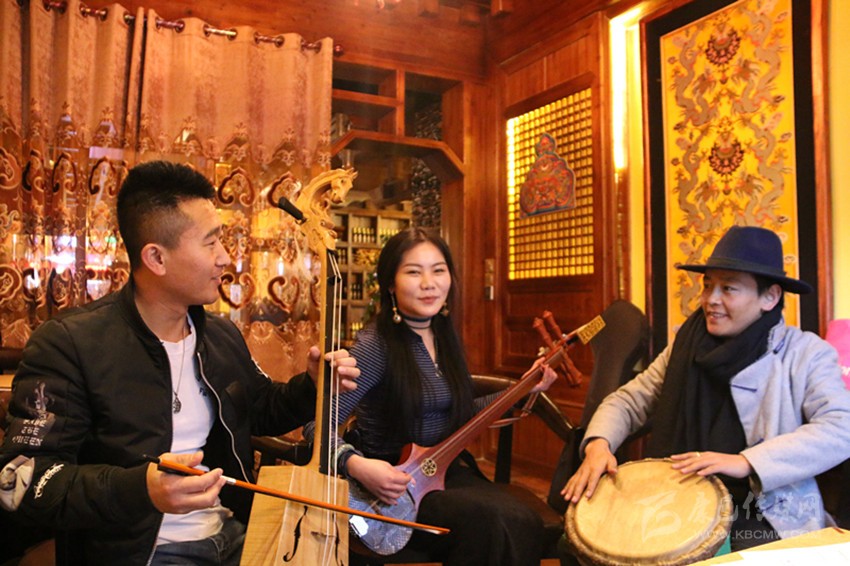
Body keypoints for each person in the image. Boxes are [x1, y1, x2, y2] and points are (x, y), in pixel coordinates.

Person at [0, 161, 359, 565]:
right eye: (211, 243)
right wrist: (142, 489)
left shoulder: (218, 336)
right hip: (143, 553)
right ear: (156, 257)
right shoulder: (70, 343)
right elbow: (21, 481)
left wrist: (313, 386)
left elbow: (258, 410)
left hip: (233, 535)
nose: (225, 258)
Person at [562, 225, 850, 552]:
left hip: (761, 511)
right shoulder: (685, 346)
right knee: (577, 548)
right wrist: (598, 444)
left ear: (770, 297)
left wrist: (746, 462)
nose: (711, 300)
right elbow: (629, 401)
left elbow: (841, 427)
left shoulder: (805, 353)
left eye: (728, 288)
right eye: (708, 285)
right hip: (678, 496)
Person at [321, 227, 557, 566]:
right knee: (495, 521)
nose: (429, 283)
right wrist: (357, 465)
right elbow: (316, 425)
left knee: (521, 520)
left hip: (442, 471)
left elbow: (461, 414)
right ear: (390, 284)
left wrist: (523, 389)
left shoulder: (443, 336)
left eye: (438, 270)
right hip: (393, 486)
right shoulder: (376, 345)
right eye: (414, 272)